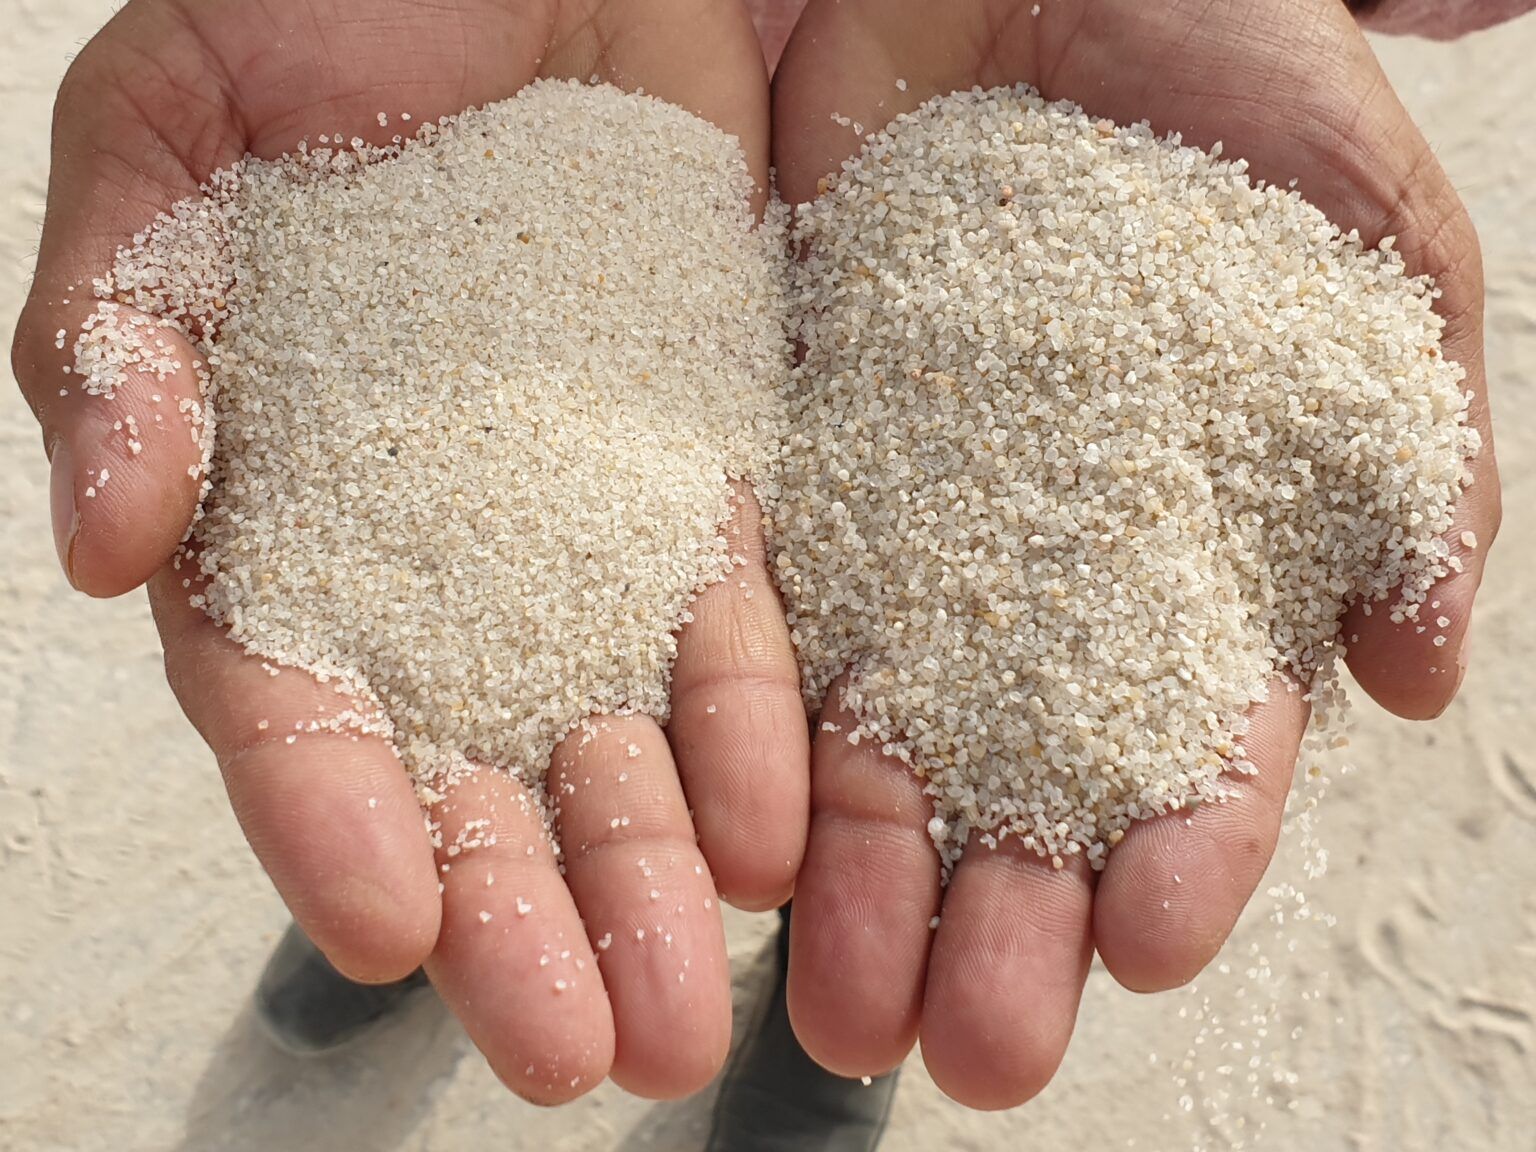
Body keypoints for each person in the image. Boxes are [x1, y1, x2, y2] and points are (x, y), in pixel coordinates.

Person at [9, 1, 1518, 1148]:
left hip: (988, 80)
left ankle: (831, 1018)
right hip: (581, 79)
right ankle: (429, 871)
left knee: (887, 737)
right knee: (556, 724)